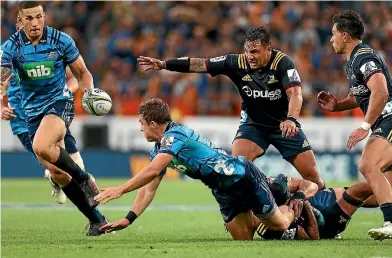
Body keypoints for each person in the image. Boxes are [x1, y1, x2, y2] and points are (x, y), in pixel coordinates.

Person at [94, 98, 319, 241]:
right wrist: (129, 219)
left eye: (141, 123)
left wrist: (120, 190)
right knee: (243, 239)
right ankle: (264, 217)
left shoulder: (175, 135)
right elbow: (149, 189)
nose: (140, 129)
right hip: (221, 190)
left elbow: (153, 171)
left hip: (241, 177)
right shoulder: (159, 149)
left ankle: (293, 209)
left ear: (153, 124)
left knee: (280, 224)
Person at [136, 26, 325, 190]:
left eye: (256, 52)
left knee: (313, 177)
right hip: (253, 126)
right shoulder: (236, 62)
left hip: (284, 126)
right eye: (247, 51)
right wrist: (164, 64)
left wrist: (291, 119)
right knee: (237, 174)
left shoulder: (283, 63)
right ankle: (257, 214)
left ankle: (327, 215)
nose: (250, 57)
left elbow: (295, 94)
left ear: (269, 49)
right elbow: (199, 64)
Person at [317, 10, 392, 241]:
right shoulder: (353, 61)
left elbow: (380, 91)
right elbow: (363, 94)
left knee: (368, 164)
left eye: (333, 34)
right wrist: (338, 105)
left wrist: (364, 125)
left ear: (345, 36)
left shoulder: (363, 56)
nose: (331, 39)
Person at [0, 1, 107, 235]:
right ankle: (98, 220)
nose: (35, 22)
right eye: (29, 18)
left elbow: (82, 73)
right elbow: (2, 79)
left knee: (41, 145)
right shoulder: (11, 47)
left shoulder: (62, 40)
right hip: (32, 114)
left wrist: (89, 93)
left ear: (45, 16)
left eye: (38, 17)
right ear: (20, 19)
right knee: (58, 174)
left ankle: (83, 177)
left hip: (60, 103)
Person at [0, 13, 86, 204]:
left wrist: (65, 93)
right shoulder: (6, 54)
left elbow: (75, 79)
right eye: (24, 23)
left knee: (77, 164)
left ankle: (95, 211)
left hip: (50, 113)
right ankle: (54, 177)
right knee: (56, 168)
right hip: (23, 120)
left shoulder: (45, 52)